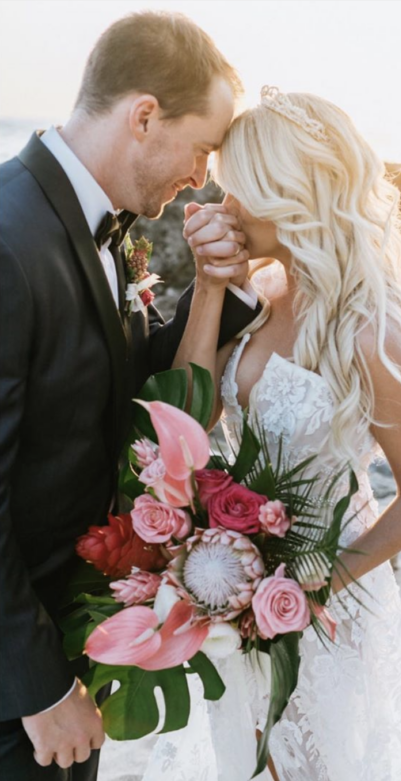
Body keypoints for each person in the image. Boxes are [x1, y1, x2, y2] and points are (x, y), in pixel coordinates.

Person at [142, 88, 401, 780]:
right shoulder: (260, 293)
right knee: (241, 753)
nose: (224, 206)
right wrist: (210, 287)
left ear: (290, 193)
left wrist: (309, 584)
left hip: (325, 594)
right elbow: (189, 417)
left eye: (240, 191)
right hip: (228, 575)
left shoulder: (374, 329)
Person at [0, 11, 263, 780]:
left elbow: (123, 382)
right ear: (145, 115)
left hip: (71, 637)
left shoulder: (102, 228)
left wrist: (220, 292)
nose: (201, 176)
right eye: (201, 147)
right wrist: (35, 683)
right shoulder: (9, 241)